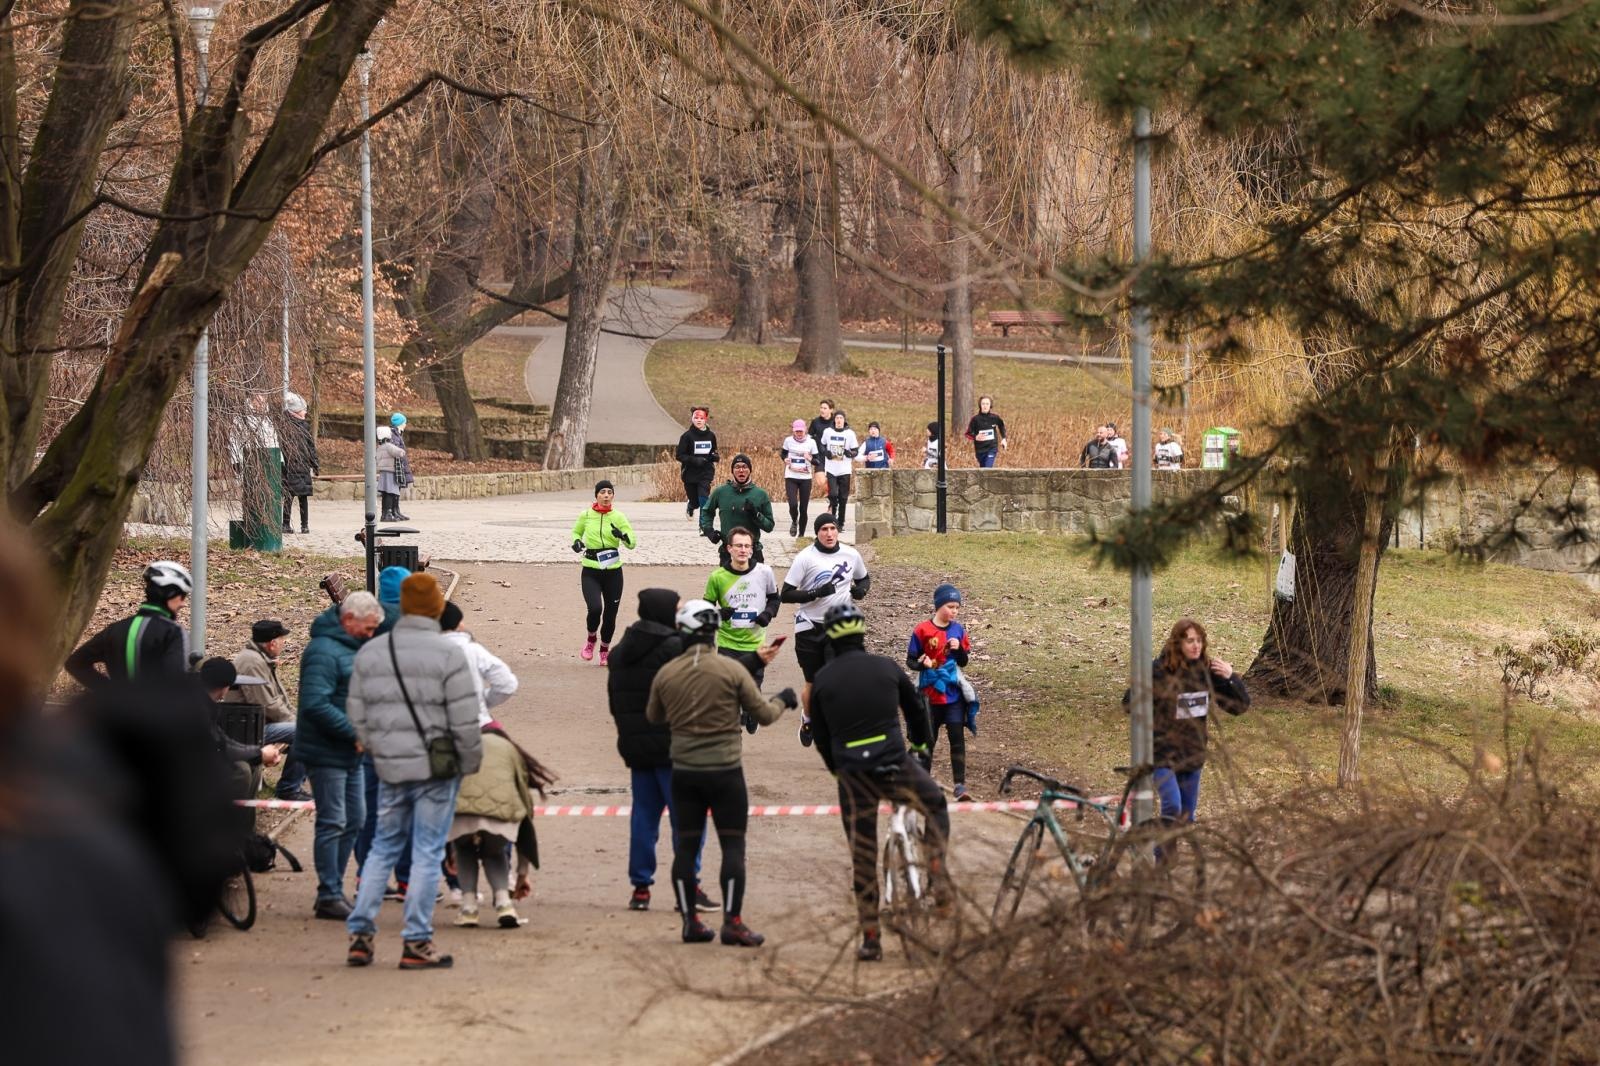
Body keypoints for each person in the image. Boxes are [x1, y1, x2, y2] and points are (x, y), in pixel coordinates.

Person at [0, 516, 241, 1066]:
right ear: (175, 598)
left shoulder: (117, 629)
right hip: (146, 744)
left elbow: (76, 661)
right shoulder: (169, 634)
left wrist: (103, 690)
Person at [345, 573, 483, 971]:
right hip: (437, 769)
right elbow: (465, 719)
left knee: (382, 847)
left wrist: (377, 747)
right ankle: (416, 940)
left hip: (390, 765)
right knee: (427, 851)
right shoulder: (450, 654)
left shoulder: (373, 651)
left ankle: (360, 933)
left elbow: (357, 713)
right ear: (437, 607)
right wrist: (469, 762)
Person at [646, 599, 796, 946]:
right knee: (732, 845)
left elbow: (654, 716)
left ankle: (690, 923)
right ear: (714, 633)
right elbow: (764, 715)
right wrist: (783, 699)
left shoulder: (667, 673)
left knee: (685, 847)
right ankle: (733, 922)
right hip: (726, 771)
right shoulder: (731, 670)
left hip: (684, 771)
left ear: (682, 632)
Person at [808, 603, 950, 962]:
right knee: (935, 803)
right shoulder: (886, 667)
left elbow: (821, 738)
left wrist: (836, 770)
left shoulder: (823, 680)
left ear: (831, 639)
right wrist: (921, 747)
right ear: (862, 633)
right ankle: (936, 870)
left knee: (863, 856)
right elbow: (916, 712)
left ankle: (871, 938)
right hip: (895, 764)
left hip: (853, 775)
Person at [607, 589, 710, 913]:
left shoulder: (620, 652)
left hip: (637, 748)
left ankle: (640, 888)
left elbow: (616, 701)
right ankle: (689, 886)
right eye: (677, 609)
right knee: (688, 822)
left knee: (643, 819)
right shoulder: (677, 649)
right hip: (676, 748)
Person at [298, 590, 384, 920]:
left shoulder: (352, 646)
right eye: (368, 627)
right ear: (349, 619)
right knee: (333, 821)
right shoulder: (323, 651)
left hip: (350, 751)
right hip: (326, 751)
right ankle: (329, 893)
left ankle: (333, 888)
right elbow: (314, 704)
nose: (371, 634)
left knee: (355, 819)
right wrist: (355, 732)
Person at [1125, 618, 1250, 825]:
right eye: (1190, 641)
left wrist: (1231, 678)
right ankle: (1159, 846)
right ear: (1178, 643)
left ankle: (1165, 846)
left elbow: (1239, 706)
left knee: (1186, 818)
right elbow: (1129, 704)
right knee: (1172, 807)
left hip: (1192, 755)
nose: (1196, 646)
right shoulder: (1159, 671)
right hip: (1162, 755)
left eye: (1199, 641)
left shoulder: (1206, 672)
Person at [450, 721, 551, 929]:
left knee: (464, 849)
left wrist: (447, 849)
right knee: (494, 852)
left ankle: (468, 908)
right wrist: (522, 873)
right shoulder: (510, 750)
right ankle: (504, 904)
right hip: (500, 820)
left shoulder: (463, 746)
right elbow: (525, 812)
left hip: (462, 816)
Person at [780, 513, 870, 745]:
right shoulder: (805, 557)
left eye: (832, 528)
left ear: (838, 530)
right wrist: (815, 593)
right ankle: (808, 718)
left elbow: (864, 579)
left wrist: (861, 590)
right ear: (817, 532)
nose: (829, 534)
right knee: (813, 682)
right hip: (809, 625)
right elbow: (786, 594)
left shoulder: (851, 554)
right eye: (824, 529)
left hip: (838, 627)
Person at [64, 560, 192, 688]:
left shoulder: (114, 630)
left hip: (115, 701)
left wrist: (109, 692)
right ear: (169, 594)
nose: (183, 604)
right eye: (182, 596)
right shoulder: (173, 632)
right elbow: (176, 681)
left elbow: (75, 663)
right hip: (159, 701)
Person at [228, 619, 308, 802]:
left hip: (255, 724)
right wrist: (297, 722)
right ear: (272, 643)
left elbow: (278, 701)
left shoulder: (259, 659)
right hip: (248, 728)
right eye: (282, 640)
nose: (283, 644)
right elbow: (268, 705)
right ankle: (290, 787)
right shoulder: (253, 662)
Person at [908, 584, 975, 801]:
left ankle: (960, 786)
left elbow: (963, 662)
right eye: (950, 606)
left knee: (957, 739)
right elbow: (910, 661)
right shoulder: (922, 630)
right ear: (938, 605)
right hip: (929, 695)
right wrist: (923, 664)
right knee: (928, 740)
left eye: (957, 607)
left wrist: (959, 649)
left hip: (953, 694)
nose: (954, 611)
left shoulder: (958, 630)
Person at [705, 527, 782, 692]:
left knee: (751, 694)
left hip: (755, 644)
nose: (743, 550)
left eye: (747, 546)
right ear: (729, 548)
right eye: (739, 546)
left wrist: (768, 614)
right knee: (728, 694)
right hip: (727, 644)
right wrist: (719, 614)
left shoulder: (765, 572)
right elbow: (704, 612)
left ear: (752, 549)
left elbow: (775, 599)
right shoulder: (717, 577)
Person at [198, 657, 286, 798]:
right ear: (225, 687)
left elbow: (222, 740)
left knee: (252, 764)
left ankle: (245, 809)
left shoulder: (205, 705)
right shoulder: (197, 709)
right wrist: (260, 754)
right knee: (242, 769)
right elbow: (221, 747)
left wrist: (257, 754)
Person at [572, 479, 638, 665]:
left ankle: (604, 650)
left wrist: (623, 536)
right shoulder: (586, 515)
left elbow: (632, 543)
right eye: (602, 492)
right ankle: (591, 639)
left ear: (613, 496)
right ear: (596, 495)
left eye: (609, 492)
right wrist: (576, 542)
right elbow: (576, 533)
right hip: (591, 570)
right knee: (595, 609)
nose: (606, 495)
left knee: (610, 614)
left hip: (613, 573)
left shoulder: (619, 517)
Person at [439, 601, 518, 726]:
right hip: (475, 724)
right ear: (458, 625)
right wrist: (481, 702)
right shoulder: (473, 650)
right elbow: (507, 684)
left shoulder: (413, 653)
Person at [700, 453, 775, 564]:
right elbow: (706, 511)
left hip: (752, 551)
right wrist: (708, 530)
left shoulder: (760, 494)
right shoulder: (721, 492)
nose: (741, 470)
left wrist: (756, 515)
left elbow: (769, 526)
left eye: (744, 467)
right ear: (732, 471)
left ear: (750, 470)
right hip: (728, 551)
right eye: (737, 467)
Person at [281, 391, 319, 534]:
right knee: (289, 496)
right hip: (290, 467)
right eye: (303, 409)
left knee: (303, 496)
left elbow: (310, 447)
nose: (305, 412)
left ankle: (305, 525)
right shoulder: (286, 426)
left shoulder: (304, 426)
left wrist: (314, 464)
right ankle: (285, 524)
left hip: (303, 467)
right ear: (296, 411)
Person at [675, 405, 719, 521]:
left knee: (703, 497)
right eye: (696, 418)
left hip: (706, 472)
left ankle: (703, 525)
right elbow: (679, 455)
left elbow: (714, 450)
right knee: (695, 502)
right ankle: (691, 505)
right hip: (690, 473)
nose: (699, 420)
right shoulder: (686, 436)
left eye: (701, 418)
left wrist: (715, 456)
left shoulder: (711, 436)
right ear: (692, 419)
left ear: (706, 419)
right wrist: (694, 460)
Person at [819, 410, 860, 528]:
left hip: (844, 470)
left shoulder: (850, 433)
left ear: (844, 420)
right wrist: (825, 452)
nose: (839, 420)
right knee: (833, 494)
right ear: (834, 420)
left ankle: (841, 522)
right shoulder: (828, 432)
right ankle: (833, 516)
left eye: (841, 418)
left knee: (843, 497)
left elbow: (855, 451)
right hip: (831, 469)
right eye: (837, 418)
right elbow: (821, 445)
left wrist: (850, 454)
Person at [779, 419, 819, 537]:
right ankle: (794, 521)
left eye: (801, 431)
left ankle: (801, 535)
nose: (799, 433)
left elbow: (817, 461)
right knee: (792, 504)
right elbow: (783, 453)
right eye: (797, 431)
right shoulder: (788, 441)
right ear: (793, 431)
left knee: (803, 508)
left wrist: (810, 458)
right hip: (791, 476)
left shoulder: (811, 442)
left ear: (805, 430)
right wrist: (785, 459)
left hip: (805, 478)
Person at [965, 396, 1009, 468]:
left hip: (992, 448)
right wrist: (976, 437)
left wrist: (1004, 438)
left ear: (990, 405)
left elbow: (1001, 426)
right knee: (983, 470)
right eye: (983, 404)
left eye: (987, 404)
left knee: (988, 468)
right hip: (980, 450)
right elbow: (968, 434)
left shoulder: (995, 418)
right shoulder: (975, 419)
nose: (985, 406)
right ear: (980, 405)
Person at [376, 425, 408, 522]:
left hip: (383, 472)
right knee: (390, 492)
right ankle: (389, 513)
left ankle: (384, 513)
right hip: (390, 472)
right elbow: (400, 452)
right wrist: (402, 451)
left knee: (385, 493)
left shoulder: (380, 446)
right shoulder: (388, 446)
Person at [390, 411, 415, 516]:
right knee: (395, 490)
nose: (405, 425)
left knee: (397, 489)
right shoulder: (395, 435)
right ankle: (394, 511)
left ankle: (396, 510)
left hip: (400, 465)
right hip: (397, 466)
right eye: (404, 422)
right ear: (400, 423)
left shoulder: (398, 434)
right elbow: (396, 451)